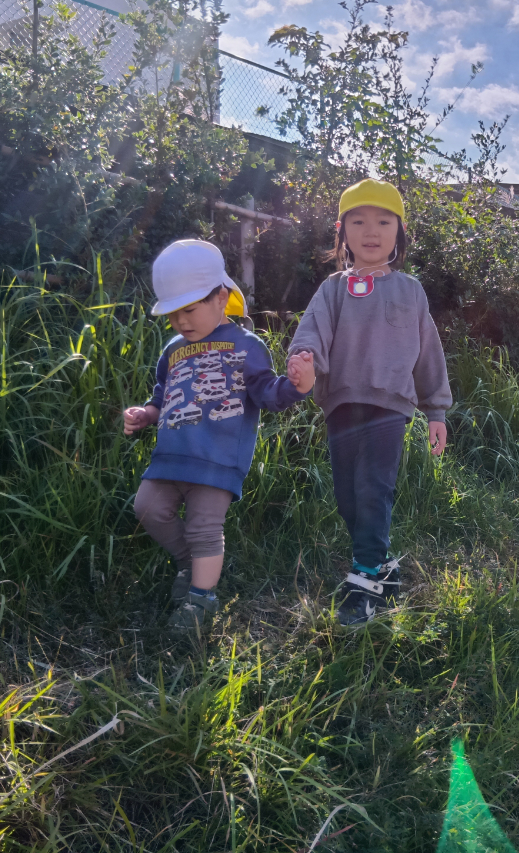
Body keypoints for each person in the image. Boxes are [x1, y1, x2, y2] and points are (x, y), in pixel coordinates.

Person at [123, 239, 315, 633]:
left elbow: (266, 393)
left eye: (190, 309)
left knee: (204, 527)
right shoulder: (173, 348)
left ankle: (200, 599)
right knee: (147, 508)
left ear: (220, 297)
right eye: (174, 314)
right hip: (171, 455)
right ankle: (188, 563)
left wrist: (298, 385)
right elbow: (163, 395)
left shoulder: (247, 346)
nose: (181, 322)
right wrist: (146, 414)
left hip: (218, 459)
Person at [287, 179, 451, 626]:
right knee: (347, 495)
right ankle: (380, 567)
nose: (371, 230)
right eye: (358, 221)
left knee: (373, 487)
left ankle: (364, 582)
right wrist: (304, 363)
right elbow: (312, 334)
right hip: (342, 404)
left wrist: (435, 410)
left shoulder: (410, 290)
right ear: (342, 233)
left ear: (399, 232)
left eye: (383, 221)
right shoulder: (334, 289)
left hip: (390, 407)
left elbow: (428, 350)